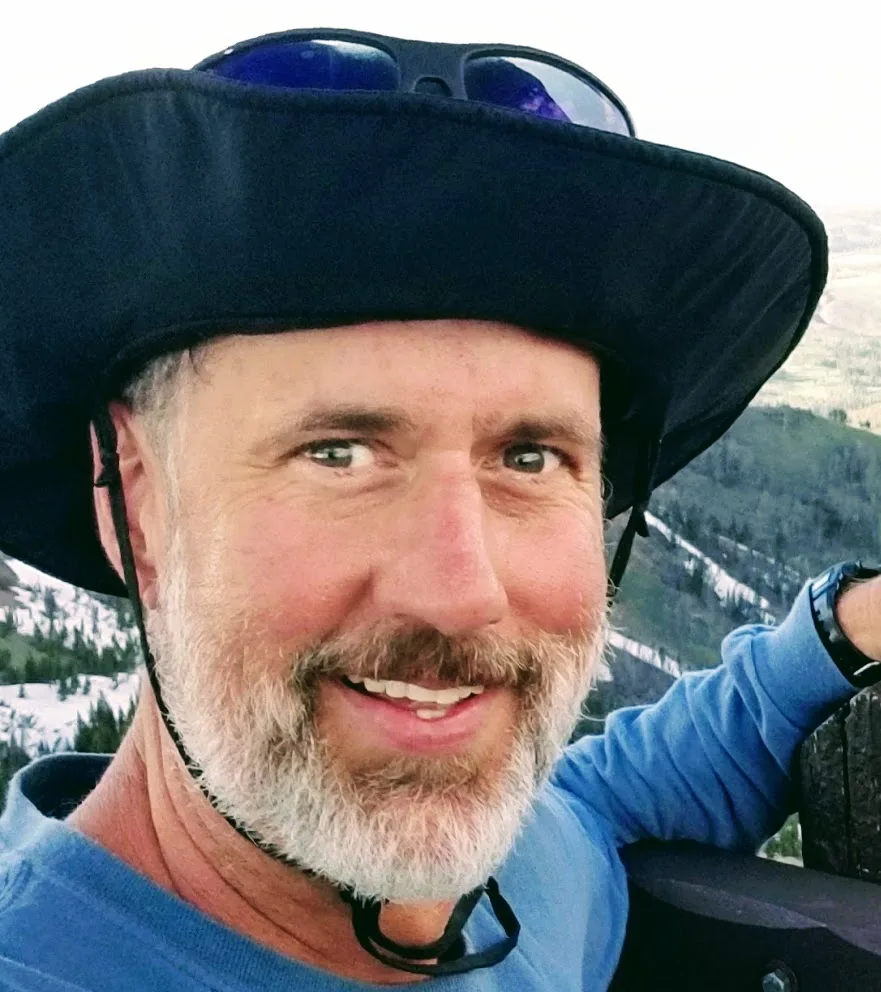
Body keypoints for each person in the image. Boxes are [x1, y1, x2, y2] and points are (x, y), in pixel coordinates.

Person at [0, 28, 878, 992]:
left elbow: (598, 800)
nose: (461, 593)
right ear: (135, 493)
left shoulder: (516, 874)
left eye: (530, 456)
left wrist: (835, 635)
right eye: (337, 454)